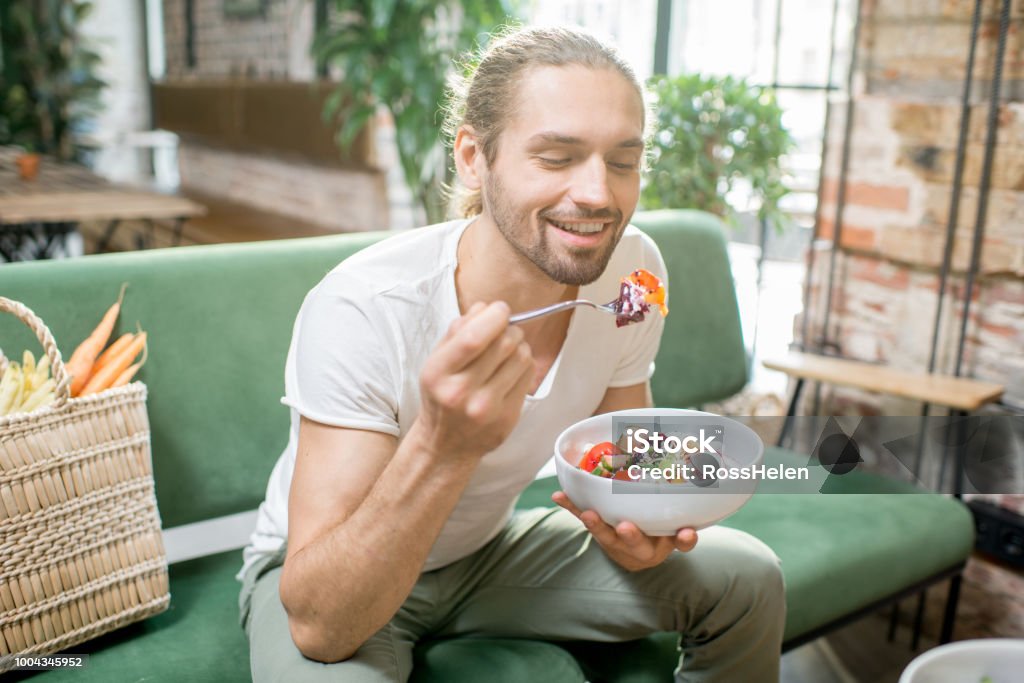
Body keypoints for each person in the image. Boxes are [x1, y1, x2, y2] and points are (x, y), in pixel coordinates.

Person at [237, 25, 785, 682]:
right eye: (557, 157)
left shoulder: (633, 273)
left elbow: (622, 454)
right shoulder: (364, 305)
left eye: (623, 160)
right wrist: (444, 445)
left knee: (749, 577)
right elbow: (321, 625)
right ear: (473, 156)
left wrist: (642, 520)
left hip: (485, 551)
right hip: (337, 573)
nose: (599, 194)